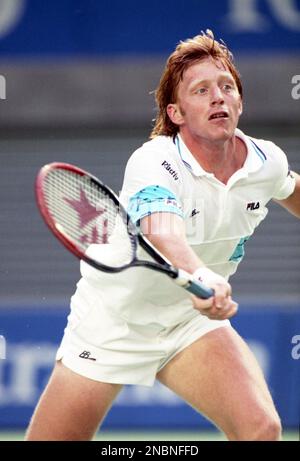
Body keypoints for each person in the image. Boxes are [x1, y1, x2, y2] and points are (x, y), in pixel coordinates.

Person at [26, 30, 300, 441]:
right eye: (201, 90)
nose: (218, 97)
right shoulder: (154, 162)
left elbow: (291, 189)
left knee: (261, 429)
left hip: (188, 322)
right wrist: (200, 274)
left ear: (240, 101)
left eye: (227, 87)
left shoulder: (265, 162)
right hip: (114, 322)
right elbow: (161, 228)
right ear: (176, 113)